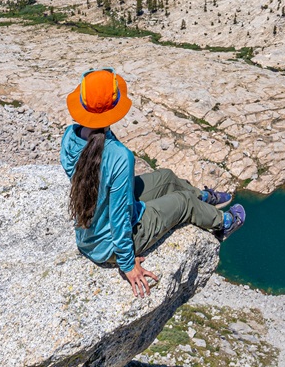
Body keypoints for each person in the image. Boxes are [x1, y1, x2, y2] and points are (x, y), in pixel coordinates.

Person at [60, 67, 245, 297]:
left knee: (166, 177)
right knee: (184, 202)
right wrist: (126, 263)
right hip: (108, 244)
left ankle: (203, 198)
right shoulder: (119, 156)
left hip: (89, 231)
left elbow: (92, 183)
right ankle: (223, 223)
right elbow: (119, 216)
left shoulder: (71, 135)